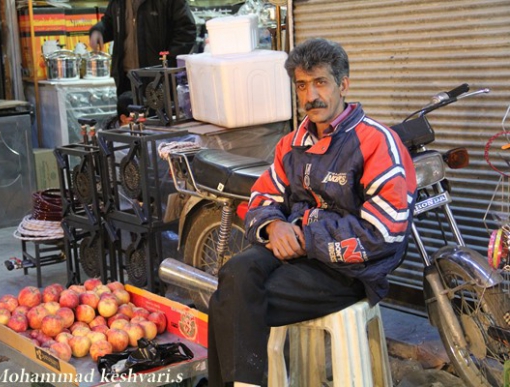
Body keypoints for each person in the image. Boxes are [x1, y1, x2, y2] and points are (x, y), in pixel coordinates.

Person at [206, 38, 418, 386]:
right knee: (235, 272)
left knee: (231, 304)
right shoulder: (290, 145)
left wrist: (305, 237)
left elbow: (385, 232)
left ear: (343, 84)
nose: (309, 97)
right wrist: (273, 226)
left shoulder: (377, 142)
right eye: (302, 86)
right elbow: (263, 195)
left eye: (320, 82)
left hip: (350, 273)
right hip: (293, 256)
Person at [89, 0, 197, 99]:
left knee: (158, 117)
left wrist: (170, 59)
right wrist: (99, 30)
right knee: (129, 118)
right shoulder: (118, 2)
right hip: (126, 79)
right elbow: (109, 22)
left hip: (158, 78)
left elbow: (187, 30)